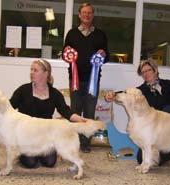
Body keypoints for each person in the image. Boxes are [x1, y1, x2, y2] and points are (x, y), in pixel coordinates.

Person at [10, 59, 85, 169]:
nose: (32, 72)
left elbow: (66, 111)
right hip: (26, 137)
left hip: (47, 136)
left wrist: (81, 120)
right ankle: (21, 152)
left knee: (49, 163)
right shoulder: (23, 90)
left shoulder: (55, 94)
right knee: (31, 164)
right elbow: (9, 106)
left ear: (46, 73)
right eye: (31, 70)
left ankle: (45, 152)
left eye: (35, 70)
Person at [62, 2, 109, 153]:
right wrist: (66, 51)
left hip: (93, 80)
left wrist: (103, 54)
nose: (87, 15)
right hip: (75, 79)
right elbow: (65, 54)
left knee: (89, 112)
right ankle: (73, 142)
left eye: (89, 13)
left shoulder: (101, 34)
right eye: (84, 12)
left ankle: (85, 143)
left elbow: (107, 55)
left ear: (92, 15)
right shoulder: (71, 33)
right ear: (79, 15)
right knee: (75, 112)